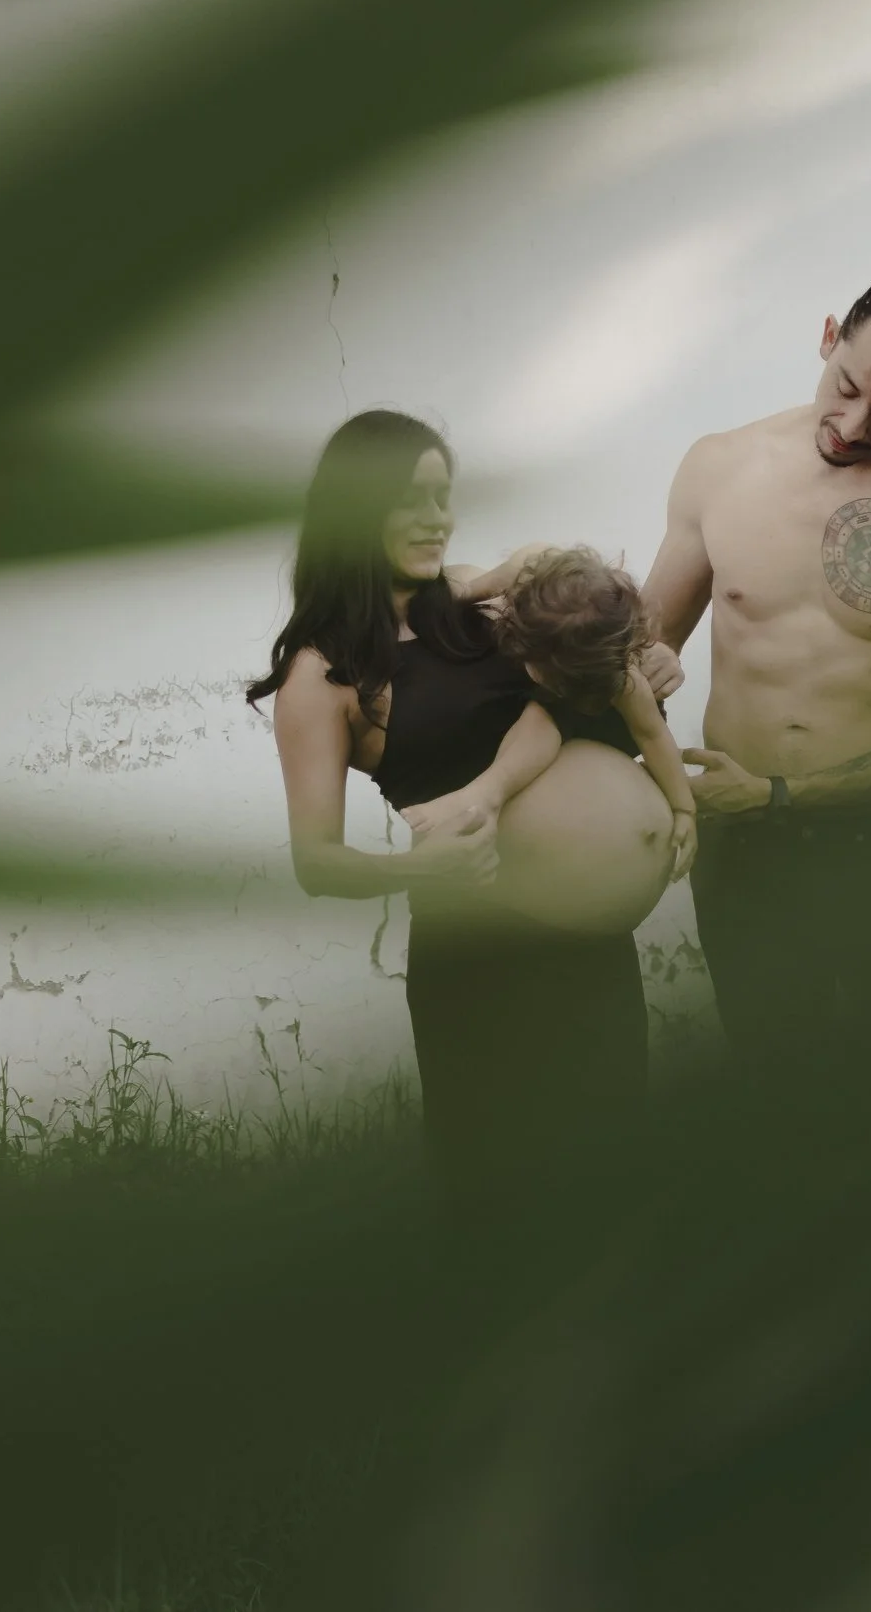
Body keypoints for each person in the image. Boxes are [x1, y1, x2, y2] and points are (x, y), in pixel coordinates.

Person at [253, 410, 690, 1202]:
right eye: (408, 499)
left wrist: (644, 667)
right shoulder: (324, 678)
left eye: (442, 495)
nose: (436, 518)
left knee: (613, 1183)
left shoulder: (483, 611)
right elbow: (316, 864)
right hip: (484, 964)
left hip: (591, 956)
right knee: (504, 1197)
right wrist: (420, 864)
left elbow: (587, 684)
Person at [636, 243, 871, 1065]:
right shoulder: (718, 468)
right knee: (782, 1091)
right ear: (829, 336)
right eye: (845, 388)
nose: (850, 428)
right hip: (741, 860)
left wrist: (778, 794)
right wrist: (646, 723)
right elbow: (640, 652)